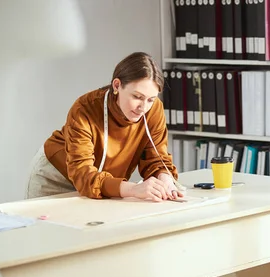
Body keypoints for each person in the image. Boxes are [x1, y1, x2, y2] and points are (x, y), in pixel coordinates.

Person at [26, 51, 184, 201]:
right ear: (117, 86)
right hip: (56, 176)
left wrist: (165, 178)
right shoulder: (84, 109)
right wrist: (134, 189)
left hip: (101, 183)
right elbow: (82, 173)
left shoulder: (154, 110)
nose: (143, 107)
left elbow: (156, 158)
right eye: (137, 97)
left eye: (150, 99)